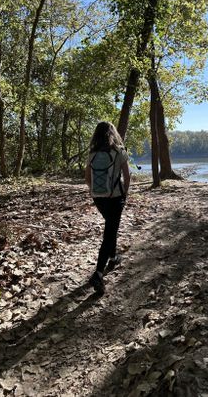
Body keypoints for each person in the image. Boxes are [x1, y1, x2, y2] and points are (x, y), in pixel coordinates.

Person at [85, 121, 130, 295]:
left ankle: (113, 257)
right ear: (113, 133)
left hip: (98, 198)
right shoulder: (119, 151)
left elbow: (87, 178)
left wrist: (94, 192)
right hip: (115, 197)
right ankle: (97, 273)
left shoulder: (93, 153)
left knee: (111, 227)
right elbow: (127, 176)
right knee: (110, 232)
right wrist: (124, 194)